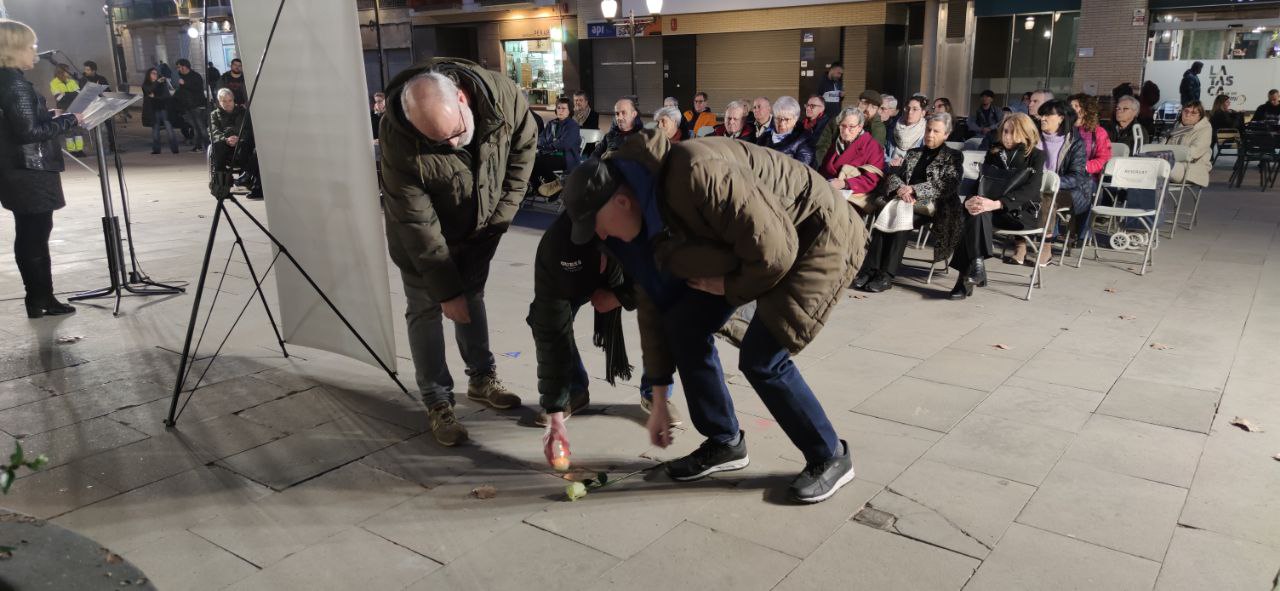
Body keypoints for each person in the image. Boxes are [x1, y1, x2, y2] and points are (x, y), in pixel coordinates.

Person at [561, 130, 864, 503]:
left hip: (816, 233)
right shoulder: (635, 227)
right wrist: (657, 398)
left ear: (622, 202)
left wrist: (728, 286)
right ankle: (725, 441)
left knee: (762, 358)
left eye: (598, 225)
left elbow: (776, 252)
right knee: (683, 325)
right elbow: (656, 305)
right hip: (748, 250)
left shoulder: (695, 172)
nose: (600, 235)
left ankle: (830, 454)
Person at [379, 59, 536, 446]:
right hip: (422, 242)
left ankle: (482, 378)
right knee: (427, 308)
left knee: (472, 298)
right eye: (439, 142)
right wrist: (446, 290)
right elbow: (418, 223)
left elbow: (522, 155)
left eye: (455, 133)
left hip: (478, 226)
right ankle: (437, 400)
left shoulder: (504, 97)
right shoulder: (398, 136)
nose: (451, 143)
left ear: (462, 98)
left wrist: (493, 226)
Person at [0, 19, 83, 318]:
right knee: (35, 236)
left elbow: (16, 124)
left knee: (30, 235)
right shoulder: (16, 85)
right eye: (30, 46)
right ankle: (40, 299)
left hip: (16, 170)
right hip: (29, 172)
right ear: (14, 49)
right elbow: (29, 134)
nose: (35, 51)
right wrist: (69, 120)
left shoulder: (6, 81)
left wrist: (46, 116)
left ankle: (41, 298)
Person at [859, 113, 963, 293]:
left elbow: (949, 184)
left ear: (946, 135)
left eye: (936, 131)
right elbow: (894, 176)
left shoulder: (953, 156)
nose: (930, 134)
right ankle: (870, 270)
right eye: (928, 130)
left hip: (934, 205)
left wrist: (915, 190)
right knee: (887, 212)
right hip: (904, 200)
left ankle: (886, 275)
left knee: (901, 218)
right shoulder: (914, 153)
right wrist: (901, 189)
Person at [948, 113, 1045, 298]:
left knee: (977, 216)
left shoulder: (1036, 155)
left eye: (1012, 132)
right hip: (990, 209)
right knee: (975, 212)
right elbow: (981, 183)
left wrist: (997, 203)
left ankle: (966, 279)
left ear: (1025, 133)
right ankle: (975, 268)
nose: (1007, 136)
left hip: (1020, 213)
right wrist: (971, 201)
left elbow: (1031, 190)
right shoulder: (994, 152)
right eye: (1005, 131)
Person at [1037, 100, 1091, 247]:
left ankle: (1046, 245)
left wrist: (1052, 182)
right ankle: (1020, 244)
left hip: (1068, 191)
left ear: (1061, 118)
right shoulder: (1034, 137)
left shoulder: (1075, 143)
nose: (1042, 118)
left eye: (1048, 115)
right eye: (1042, 115)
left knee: (1046, 197)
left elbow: (1077, 176)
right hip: (1036, 186)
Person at [817, 107, 884, 210]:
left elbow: (872, 179)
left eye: (851, 127)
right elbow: (824, 169)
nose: (846, 131)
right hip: (828, 191)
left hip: (854, 197)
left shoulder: (872, 147)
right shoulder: (837, 142)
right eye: (843, 126)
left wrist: (845, 183)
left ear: (860, 127)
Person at [209, 88, 263, 200]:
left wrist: (239, 138)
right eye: (224, 101)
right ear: (219, 102)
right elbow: (213, 131)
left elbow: (249, 129)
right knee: (217, 146)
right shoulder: (214, 115)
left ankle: (247, 178)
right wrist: (226, 139)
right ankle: (222, 184)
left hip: (242, 143)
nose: (228, 104)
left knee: (251, 146)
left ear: (233, 100)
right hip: (225, 145)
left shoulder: (243, 112)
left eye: (230, 100)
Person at [529, 97, 584, 198]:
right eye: (558, 108)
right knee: (529, 161)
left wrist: (549, 145)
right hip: (550, 154)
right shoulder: (551, 124)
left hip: (566, 157)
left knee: (540, 162)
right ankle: (538, 189)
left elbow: (565, 144)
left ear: (570, 111)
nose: (560, 111)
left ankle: (554, 189)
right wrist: (550, 145)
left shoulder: (573, 126)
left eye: (564, 108)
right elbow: (541, 140)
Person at [1165, 101, 1212, 190]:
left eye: (1193, 113)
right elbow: (1163, 147)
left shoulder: (1205, 129)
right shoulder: (1177, 127)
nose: (1188, 115)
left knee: (1162, 167)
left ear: (1200, 116)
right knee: (1151, 166)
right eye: (1186, 111)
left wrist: (1168, 154)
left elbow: (1193, 153)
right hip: (1175, 164)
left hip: (1192, 169)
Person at [756, 96, 813, 167]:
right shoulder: (763, 138)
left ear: (795, 119)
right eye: (778, 119)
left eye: (787, 119)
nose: (782, 124)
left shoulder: (803, 139)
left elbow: (800, 172)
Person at [1069, 93, 1112, 187]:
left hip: (1087, 178)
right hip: (1064, 174)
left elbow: (1104, 159)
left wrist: (1085, 166)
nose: (1071, 109)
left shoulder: (1099, 132)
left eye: (1076, 106)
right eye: (1070, 106)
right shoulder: (1062, 129)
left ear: (1086, 110)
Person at [142, 67, 180, 155]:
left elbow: (165, 96)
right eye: (153, 73)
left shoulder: (162, 84)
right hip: (152, 110)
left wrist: (154, 97)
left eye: (156, 73)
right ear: (149, 75)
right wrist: (156, 84)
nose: (155, 75)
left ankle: (174, 148)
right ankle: (156, 149)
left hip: (163, 109)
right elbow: (148, 90)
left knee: (169, 128)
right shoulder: (146, 84)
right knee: (155, 129)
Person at [173, 59, 209, 152]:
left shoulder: (195, 76)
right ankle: (198, 146)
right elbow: (182, 91)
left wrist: (185, 84)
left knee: (201, 127)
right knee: (195, 127)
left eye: (179, 67)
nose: (178, 69)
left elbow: (198, 88)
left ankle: (208, 146)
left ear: (185, 66)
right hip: (187, 106)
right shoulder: (181, 76)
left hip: (197, 105)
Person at [48, 64, 84, 156]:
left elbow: (78, 94)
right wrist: (70, 94)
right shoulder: (54, 82)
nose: (69, 73)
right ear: (61, 72)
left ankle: (80, 150)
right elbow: (59, 98)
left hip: (75, 108)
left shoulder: (71, 81)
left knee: (78, 130)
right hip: (64, 109)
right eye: (67, 71)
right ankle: (72, 151)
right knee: (69, 131)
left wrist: (65, 94)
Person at [886, 95, 927, 171]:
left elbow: (925, 158)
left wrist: (905, 161)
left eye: (915, 109)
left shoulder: (927, 131)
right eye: (907, 108)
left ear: (923, 113)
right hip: (891, 168)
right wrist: (889, 161)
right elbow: (882, 150)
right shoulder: (893, 126)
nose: (910, 112)